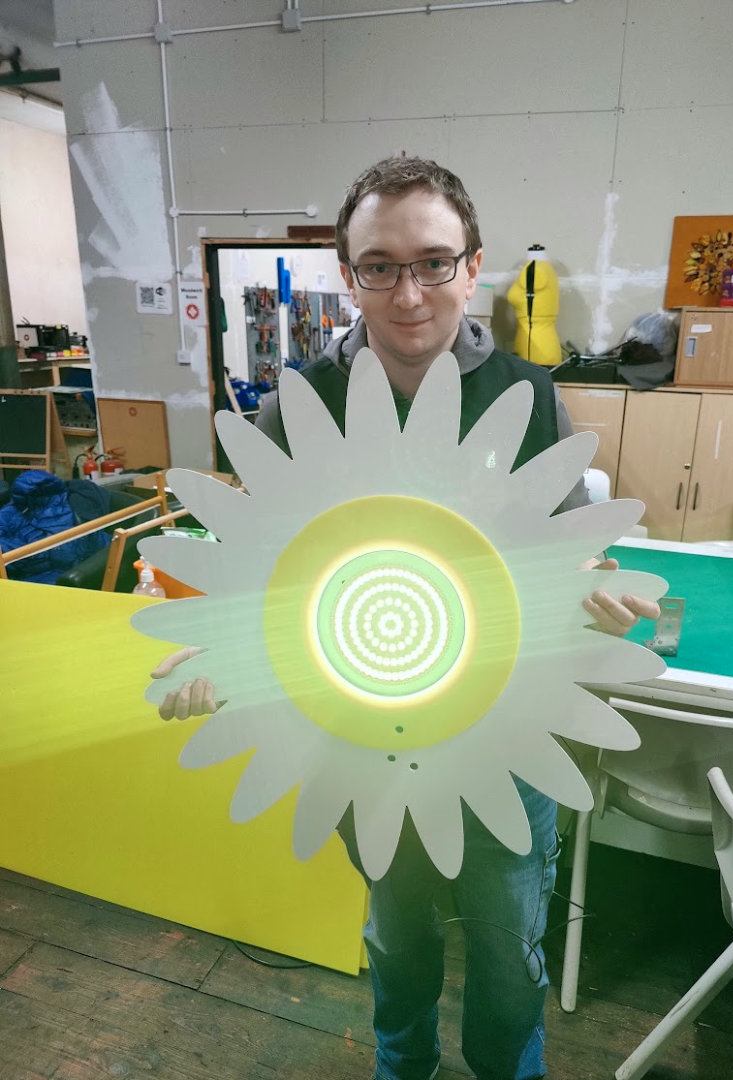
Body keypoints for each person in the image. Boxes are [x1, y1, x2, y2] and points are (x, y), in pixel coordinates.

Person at [154, 156, 659, 1080]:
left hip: (503, 734)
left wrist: (591, 588)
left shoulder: (525, 397)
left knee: (508, 943)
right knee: (397, 934)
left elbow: (563, 548)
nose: (409, 293)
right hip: (359, 737)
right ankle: (403, 1065)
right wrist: (216, 653)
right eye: (380, 267)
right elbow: (255, 576)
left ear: (473, 266)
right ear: (349, 277)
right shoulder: (299, 405)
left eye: (432, 262)